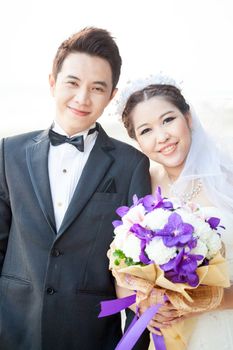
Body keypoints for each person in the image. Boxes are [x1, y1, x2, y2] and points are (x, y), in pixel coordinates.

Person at [0, 27, 151, 350]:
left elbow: (140, 274)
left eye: (97, 88)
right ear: (52, 82)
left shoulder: (131, 165)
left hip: (91, 337)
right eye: (72, 83)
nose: (83, 98)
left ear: (111, 96)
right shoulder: (8, 152)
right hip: (13, 330)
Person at [117, 76, 233, 349]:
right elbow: (121, 272)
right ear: (137, 141)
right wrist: (142, 302)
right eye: (146, 130)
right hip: (168, 335)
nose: (162, 136)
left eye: (168, 120)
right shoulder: (141, 185)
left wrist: (196, 302)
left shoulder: (228, 180)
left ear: (188, 118)